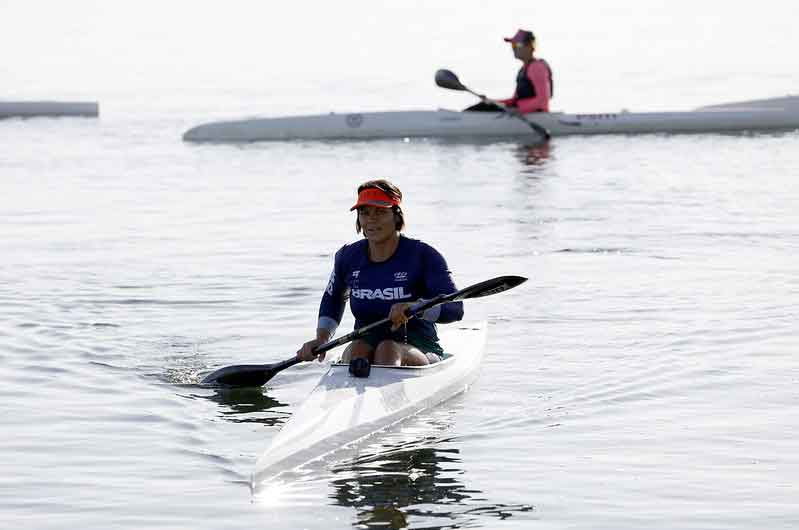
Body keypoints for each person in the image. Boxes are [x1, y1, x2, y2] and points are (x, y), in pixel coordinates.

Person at [297, 179, 463, 367]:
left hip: (418, 346)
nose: (371, 219)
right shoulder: (347, 257)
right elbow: (334, 298)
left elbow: (456, 309)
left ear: (396, 216)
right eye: (364, 213)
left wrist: (415, 307)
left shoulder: (424, 256)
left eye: (380, 212)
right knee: (357, 349)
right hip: (364, 343)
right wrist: (322, 339)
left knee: (387, 349)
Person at [467, 29, 553, 115]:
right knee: (483, 106)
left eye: (517, 44)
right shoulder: (524, 69)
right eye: (513, 45)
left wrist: (518, 109)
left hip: (534, 114)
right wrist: (491, 101)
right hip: (520, 112)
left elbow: (542, 101)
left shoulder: (537, 67)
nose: (514, 48)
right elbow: (515, 100)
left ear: (530, 46)